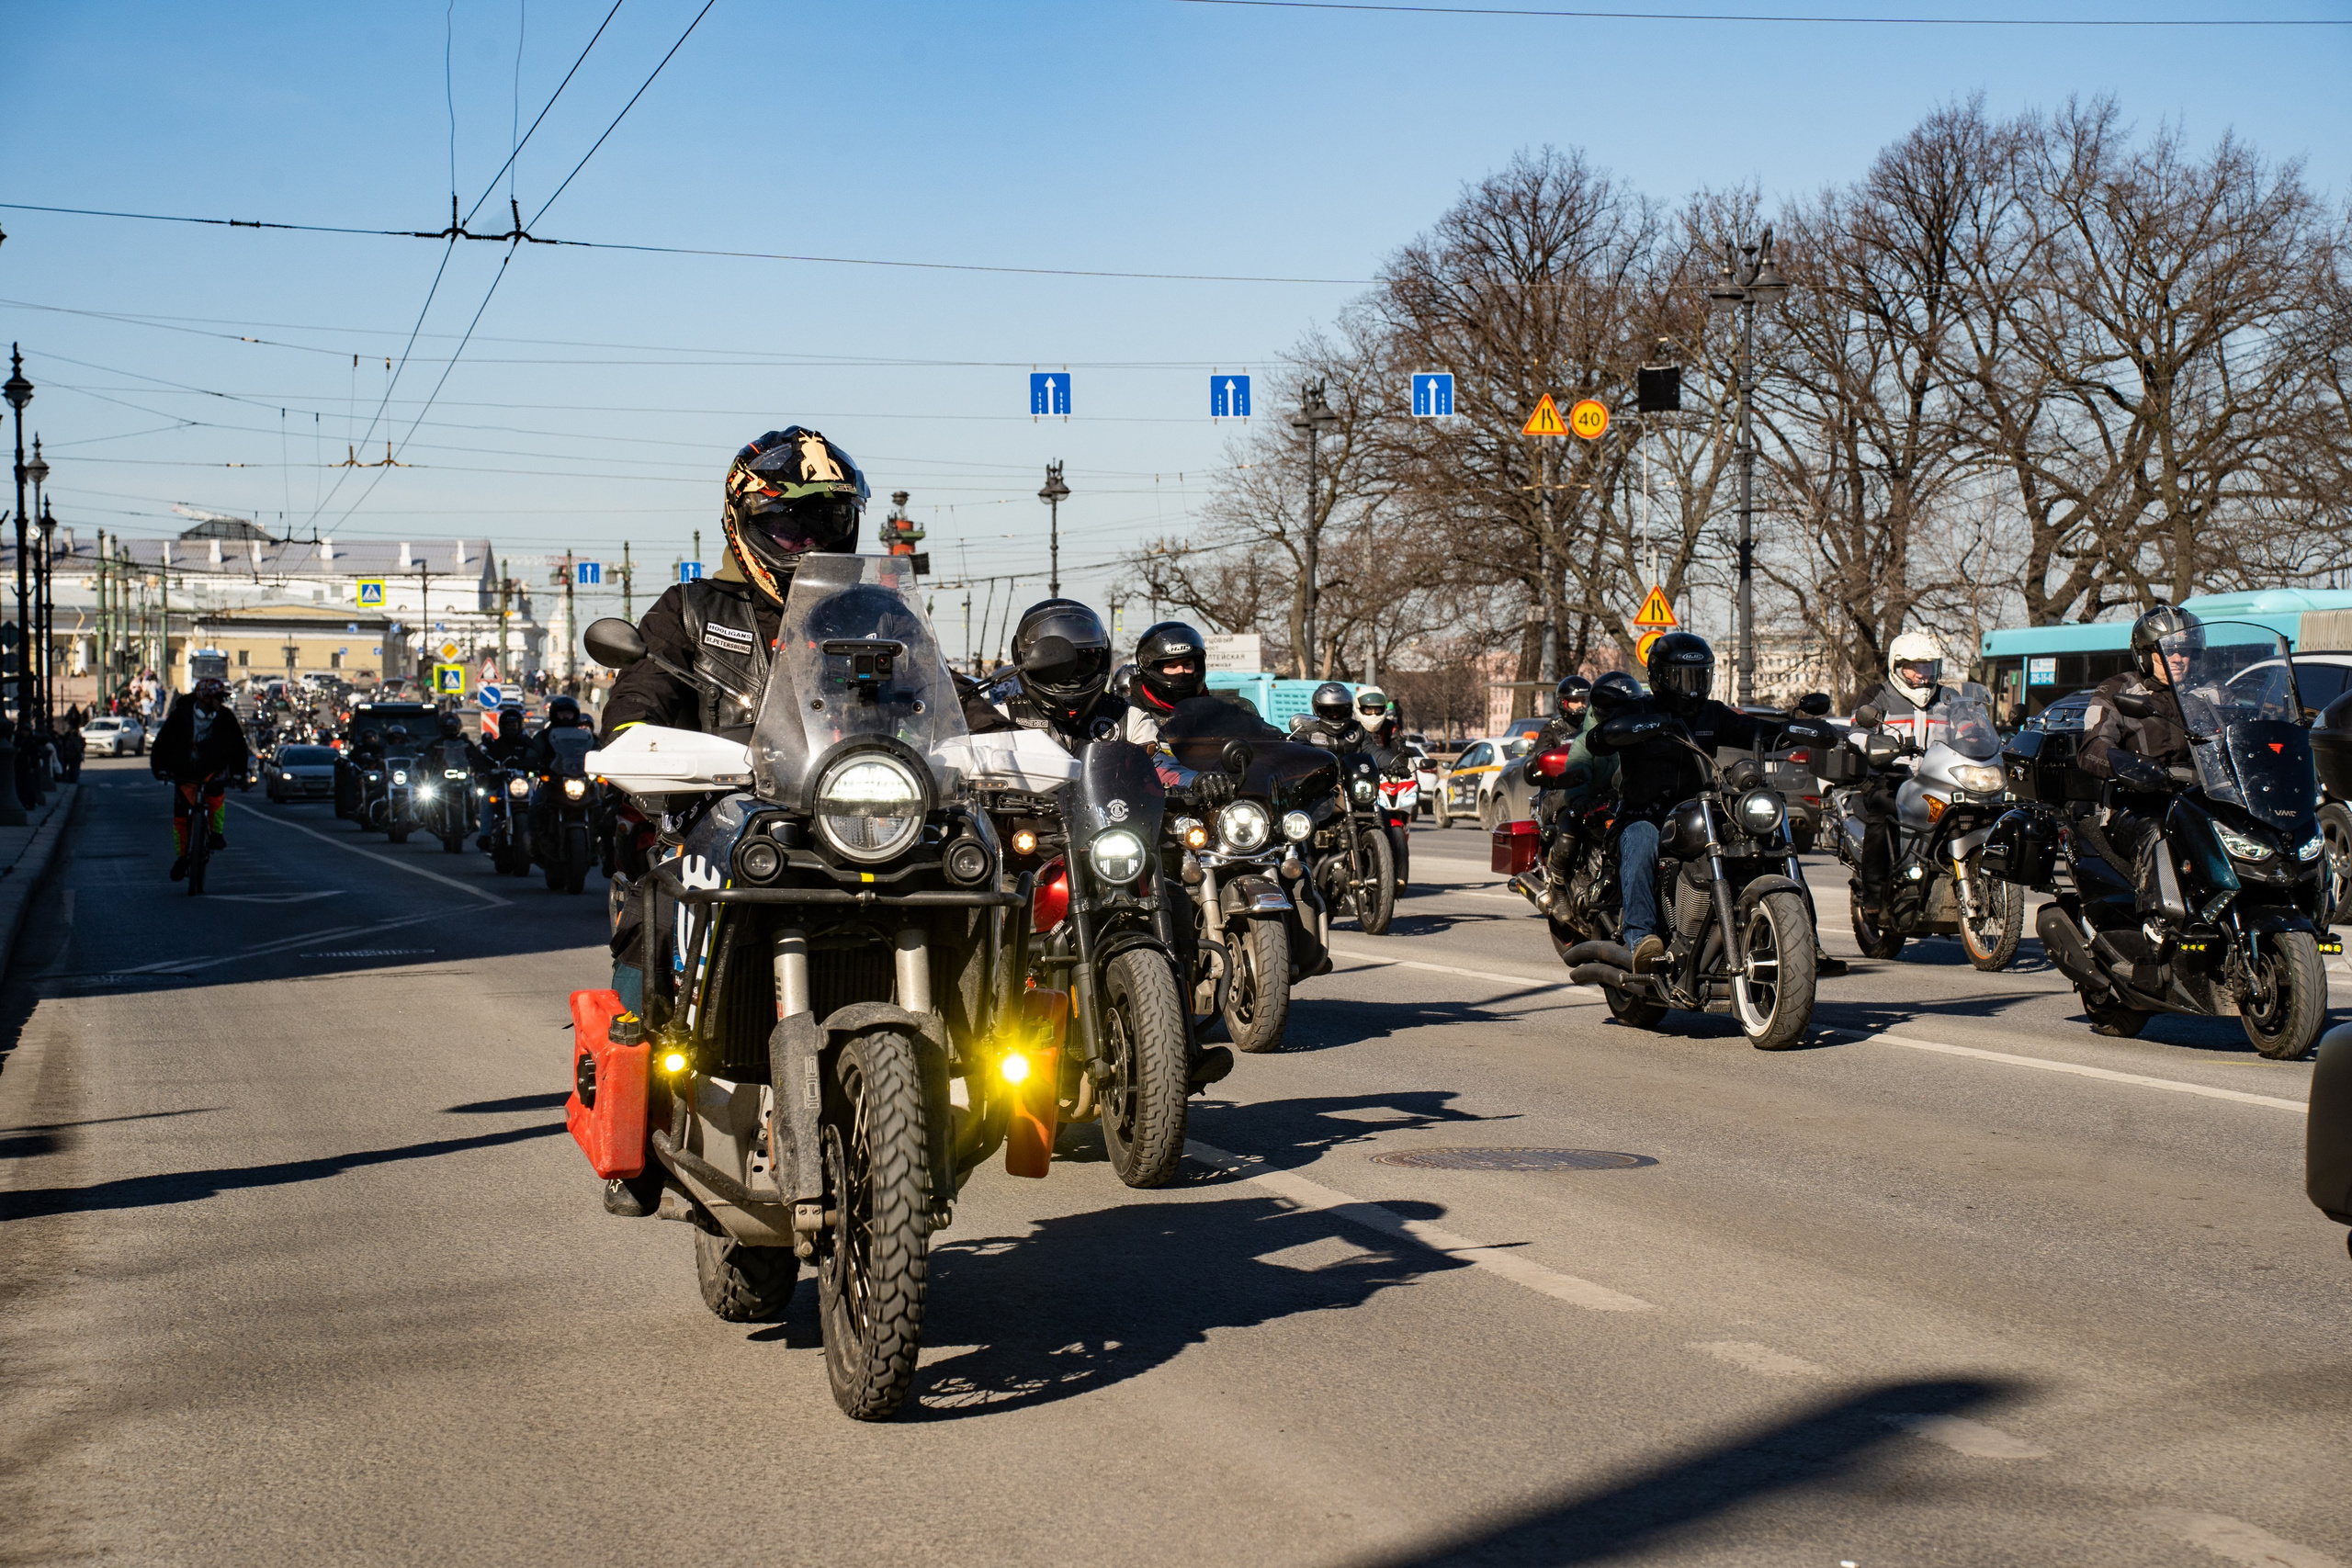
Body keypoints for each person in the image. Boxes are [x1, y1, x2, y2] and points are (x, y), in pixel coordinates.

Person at [603, 426, 867, 744]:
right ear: (743, 521)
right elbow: (638, 698)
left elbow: (923, 697)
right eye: (791, 525)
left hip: (863, 772)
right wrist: (631, 742)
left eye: (829, 523)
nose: (811, 541)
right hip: (723, 777)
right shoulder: (689, 613)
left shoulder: (880, 616)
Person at [1588, 632, 1763, 974]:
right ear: (1659, 677)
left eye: (1698, 677)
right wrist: (1616, 730)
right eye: (1681, 678)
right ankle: (1640, 937)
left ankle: (1806, 941)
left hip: (1698, 816)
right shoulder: (1638, 709)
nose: (1691, 688)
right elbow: (1600, 738)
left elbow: (1754, 728)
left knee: (1758, 836)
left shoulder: (1712, 714)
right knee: (1641, 837)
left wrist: (1799, 728)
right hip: (1644, 815)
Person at [2078, 605, 2201, 920]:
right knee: (2157, 829)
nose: (2178, 659)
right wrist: (2130, 767)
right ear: (2145, 654)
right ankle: (2156, 918)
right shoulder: (2118, 690)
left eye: (2185, 651)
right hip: (2135, 806)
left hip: (2198, 804)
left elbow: (2238, 735)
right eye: (2168, 651)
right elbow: (2093, 746)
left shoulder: (2209, 693)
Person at [150, 676, 250, 881]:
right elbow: (163, 742)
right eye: (218, 697)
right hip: (184, 771)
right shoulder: (181, 715)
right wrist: (160, 769)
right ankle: (182, 858)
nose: (221, 701)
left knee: (216, 798)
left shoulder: (226, 717)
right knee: (180, 818)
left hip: (212, 770)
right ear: (205, 698)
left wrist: (238, 772)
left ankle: (216, 835)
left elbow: (238, 746)